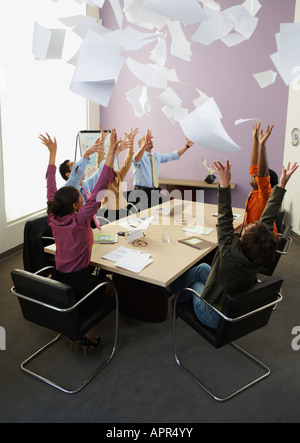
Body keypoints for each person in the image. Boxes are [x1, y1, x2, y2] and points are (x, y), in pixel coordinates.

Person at [169, 159, 298, 329]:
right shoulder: (259, 251)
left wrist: (224, 183)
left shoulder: (230, 251)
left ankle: (173, 303)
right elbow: (269, 215)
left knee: (194, 285)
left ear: (244, 240)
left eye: (249, 228)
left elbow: (224, 217)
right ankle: (170, 291)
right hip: (231, 294)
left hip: (215, 314)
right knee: (202, 269)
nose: (250, 224)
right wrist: (281, 185)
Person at [39, 129, 119, 352]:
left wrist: (52, 155)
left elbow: (50, 186)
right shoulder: (81, 220)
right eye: (81, 197)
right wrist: (111, 151)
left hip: (58, 277)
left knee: (85, 292)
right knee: (111, 289)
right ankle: (87, 334)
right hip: (80, 281)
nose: (85, 197)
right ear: (75, 205)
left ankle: (71, 328)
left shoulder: (53, 216)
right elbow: (102, 184)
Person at [131, 130, 194, 208]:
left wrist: (187, 146)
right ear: (140, 145)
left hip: (154, 191)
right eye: (145, 139)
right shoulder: (137, 156)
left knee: (165, 209)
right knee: (146, 216)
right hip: (141, 192)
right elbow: (136, 159)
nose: (149, 140)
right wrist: (144, 146)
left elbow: (173, 155)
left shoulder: (156, 156)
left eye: (150, 139)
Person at [243, 122, 279, 234]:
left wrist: (263, 146)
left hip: (262, 242)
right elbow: (254, 164)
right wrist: (255, 139)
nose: (253, 176)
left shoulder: (265, 196)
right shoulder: (257, 191)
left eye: (256, 176)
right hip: (251, 235)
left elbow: (262, 174)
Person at [99, 127, 139, 221]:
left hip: (122, 211)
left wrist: (131, 142)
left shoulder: (118, 175)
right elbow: (99, 161)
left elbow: (128, 162)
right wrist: (103, 139)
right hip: (107, 213)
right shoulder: (102, 177)